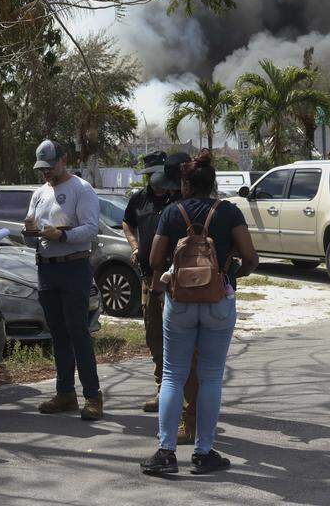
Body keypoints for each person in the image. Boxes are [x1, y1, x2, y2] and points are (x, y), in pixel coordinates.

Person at [141, 149, 258, 476]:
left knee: (173, 375)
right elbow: (250, 257)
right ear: (213, 183)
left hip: (179, 303)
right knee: (210, 377)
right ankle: (203, 453)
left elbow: (154, 260)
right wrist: (230, 272)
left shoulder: (172, 212)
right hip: (218, 300)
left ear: (186, 185)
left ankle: (166, 453)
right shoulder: (229, 212)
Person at [123, 151, 199, 441]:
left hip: (177, 283)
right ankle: (162, 390)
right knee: (154, 334)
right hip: (149, 278)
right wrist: (133, 244)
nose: (154, 181)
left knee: (182, 346)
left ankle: (186, 409)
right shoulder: (139, 199)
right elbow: (127, 222)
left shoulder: (180, 199)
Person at [25, 139, 104, 420]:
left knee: (78, 333)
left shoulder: (81, 189)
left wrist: (64, 235)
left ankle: (93, 396)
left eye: (50, 166)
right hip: (47, 269)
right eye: (42, 168)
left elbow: (91, 229)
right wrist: (30, 230)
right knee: (57, 333)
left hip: (73, 268)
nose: (46, 172)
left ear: (64, 160)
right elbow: (31, 226)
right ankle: (65, 393)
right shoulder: (39, 193)